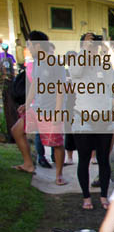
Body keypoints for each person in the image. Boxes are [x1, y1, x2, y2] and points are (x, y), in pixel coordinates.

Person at [12, 30, 68, 185]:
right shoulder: (36, 62)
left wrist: (57, 112)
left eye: (29, 44)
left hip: (51, 110)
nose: (28, 48)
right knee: (16, 130)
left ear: (37, 45)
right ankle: (28, 164)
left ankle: (59, 175)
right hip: (36, 108)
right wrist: (26, 104)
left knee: (56, 144)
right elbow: (35, 85)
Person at [70, 33, 114, 210]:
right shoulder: (77, 61)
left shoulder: (102, 63)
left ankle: (104, 195)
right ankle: (86, 197)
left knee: (104, 159)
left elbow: (111, 84)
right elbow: (75, 72)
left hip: (104, 118)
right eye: (89, 44)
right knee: (84, 159)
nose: (92, 47)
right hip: (83, 117)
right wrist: (85, 51)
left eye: (94, 44)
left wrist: (104, 54)